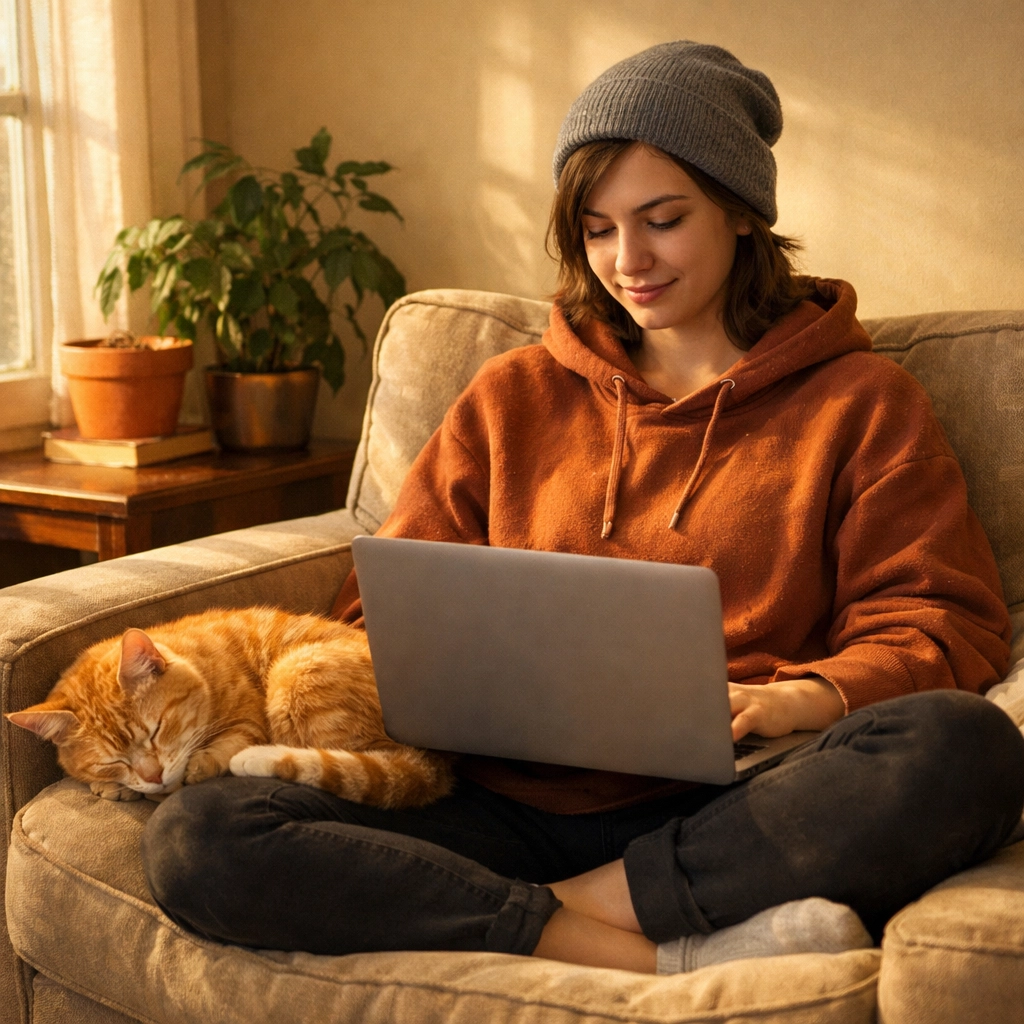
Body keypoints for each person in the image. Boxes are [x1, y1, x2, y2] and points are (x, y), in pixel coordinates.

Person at [142, 41, 1024, 975]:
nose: (627, 260)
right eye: (597, 229)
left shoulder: (862, 403)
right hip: (486, 797)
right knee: (201, 835)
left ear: (741, 213)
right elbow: (379, 618)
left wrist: (791, 699)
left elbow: (943, 625)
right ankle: (653, 950)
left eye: (662, 219)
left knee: (960, 751)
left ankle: (560, 913)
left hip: (733, 802)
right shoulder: (511, 393)